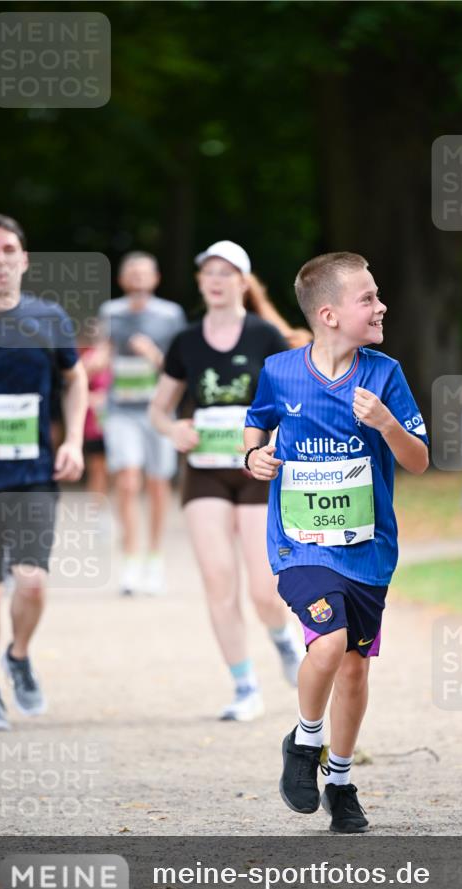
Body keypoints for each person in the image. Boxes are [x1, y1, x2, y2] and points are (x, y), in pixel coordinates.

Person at [244, 252, 429, 832]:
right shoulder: (280, 370)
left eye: (376, 297)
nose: (381, 306)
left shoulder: (385, 374)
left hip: (369, 550)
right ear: (328, 314)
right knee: (327, 641)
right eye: (367, 299)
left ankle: (342, 781)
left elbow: (419, 461)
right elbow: (258, 418)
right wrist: (253, 455)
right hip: (300, 543)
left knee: (354, 669)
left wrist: (386, 425)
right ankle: (305, 744)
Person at [149, 240, 305, 721]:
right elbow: (159, 407)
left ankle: (282, 641)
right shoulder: (186, 341)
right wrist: (173, 427)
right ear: (200, 282)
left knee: (264, 589)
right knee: (218, 581)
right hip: (204, 474)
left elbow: (293, 402)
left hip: (257, 471)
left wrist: (274, 439)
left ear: (243, 280)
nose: (215, 281)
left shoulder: (265, 337)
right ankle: (244, 687)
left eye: (225, 272)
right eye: (207, 273)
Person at [0, 213, 87, 731]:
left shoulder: (49, 318)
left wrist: (75, 439)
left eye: (8, 250)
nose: (0, 260)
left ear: (24, 260)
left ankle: (19, 654)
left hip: (33, 472)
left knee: (31, 583)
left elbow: (75, 379)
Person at [97, 252, 186, 595]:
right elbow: (104, 351)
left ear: (155, 278)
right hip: (121, 409)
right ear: (122, 280)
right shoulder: (111, 313)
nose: (136, 277)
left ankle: (154, 557)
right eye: (130, 272)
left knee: (158, 483)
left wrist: (153, 356)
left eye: (143, 272)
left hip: (158, 409)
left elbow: (180, 366)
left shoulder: (169, 315)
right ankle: (130, 560)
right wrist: (97, 362)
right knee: (128, 479)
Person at [78, 323, 111, 496]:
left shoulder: (119, 357)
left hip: (117, 420)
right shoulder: (88, 358)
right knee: (97, 468)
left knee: (119, 469)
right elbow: (75, 387)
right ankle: (98, 509)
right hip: (95, 422)